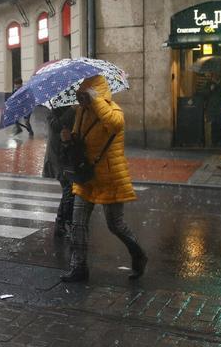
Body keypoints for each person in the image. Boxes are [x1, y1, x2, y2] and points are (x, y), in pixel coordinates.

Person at [60, 75, 146, 282]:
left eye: (84, 94)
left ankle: (138, 254)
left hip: (110, 177)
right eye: (80, 94)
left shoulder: (114, 110)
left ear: (96, 94)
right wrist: (68, 140)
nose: (80, 99)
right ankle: (78, 267)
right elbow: (78, 142)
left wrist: (96, 100)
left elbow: (114, 124)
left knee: (115, 224)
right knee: (78, 222)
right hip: (86, 176)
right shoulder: (81, 112)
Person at [42, 105, 77, 238]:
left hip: (67, 154)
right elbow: (56, 126)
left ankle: (63, 223)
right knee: (69, 189)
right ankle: (63, 223)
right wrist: (72, 110)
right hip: (58, 157)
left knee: (70, 189)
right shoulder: (54, 111)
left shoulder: (67, 109)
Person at [203, 73, 221, 147]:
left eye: (216, 74)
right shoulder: (209, 83)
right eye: (213, 74)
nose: (214, 75)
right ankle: (214, 142)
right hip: (212, 108)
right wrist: (210, 89)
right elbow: (204, 94)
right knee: (214, 125)